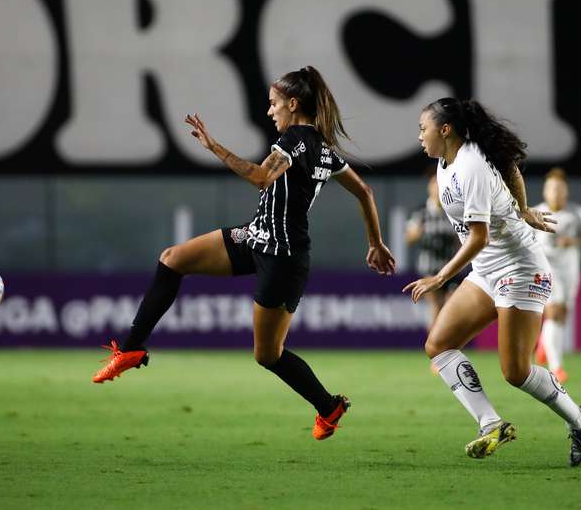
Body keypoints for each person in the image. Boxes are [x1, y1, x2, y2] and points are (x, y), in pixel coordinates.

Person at [92, 66, 396, 441]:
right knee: (172, 259)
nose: (270, 112)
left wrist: (213, 146)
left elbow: (260, 177)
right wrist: (375, 243)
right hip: (256, 238)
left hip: (283, 257)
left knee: (267, 355)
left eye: (273, 104)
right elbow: (364, 191)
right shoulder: (324, 149)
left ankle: (328, 405)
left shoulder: (297, 139)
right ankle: (131, 349)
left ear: (293, 104)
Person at [402, 98, 581, 466]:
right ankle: (491, 423)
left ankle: (580, 419)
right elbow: (509, 166)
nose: (419, 136)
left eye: (423, 127)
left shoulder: (470, 165)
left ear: (445, 130)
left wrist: (441, 276)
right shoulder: (447, 163)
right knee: (439, 345)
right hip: (488, 272)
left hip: (521, 268)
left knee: (515, 371)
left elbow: (478, 238)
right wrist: (522, 209)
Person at [534, 168, 581, 383]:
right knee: (554, 311)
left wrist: (573, 241)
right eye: (551, 188)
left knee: (561, 316)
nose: (555, 193)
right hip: (545, 271)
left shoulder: (575, 213)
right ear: (545, 192)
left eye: (560, 189)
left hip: (570, 271)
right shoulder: (536, 214)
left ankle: (544, 344)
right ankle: (556, 367)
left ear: (566, 192)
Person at [405, 173, 470, 324]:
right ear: (430, 188)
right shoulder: (421, 213)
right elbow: (408, 238)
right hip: (430, 267)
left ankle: (446, 342)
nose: (438, 188)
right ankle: (434, 345)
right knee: (435, 305)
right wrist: (416, 234)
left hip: (452, 267)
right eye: (435, 184)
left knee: (450, 306)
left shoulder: (453, 212)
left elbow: (461, 240)